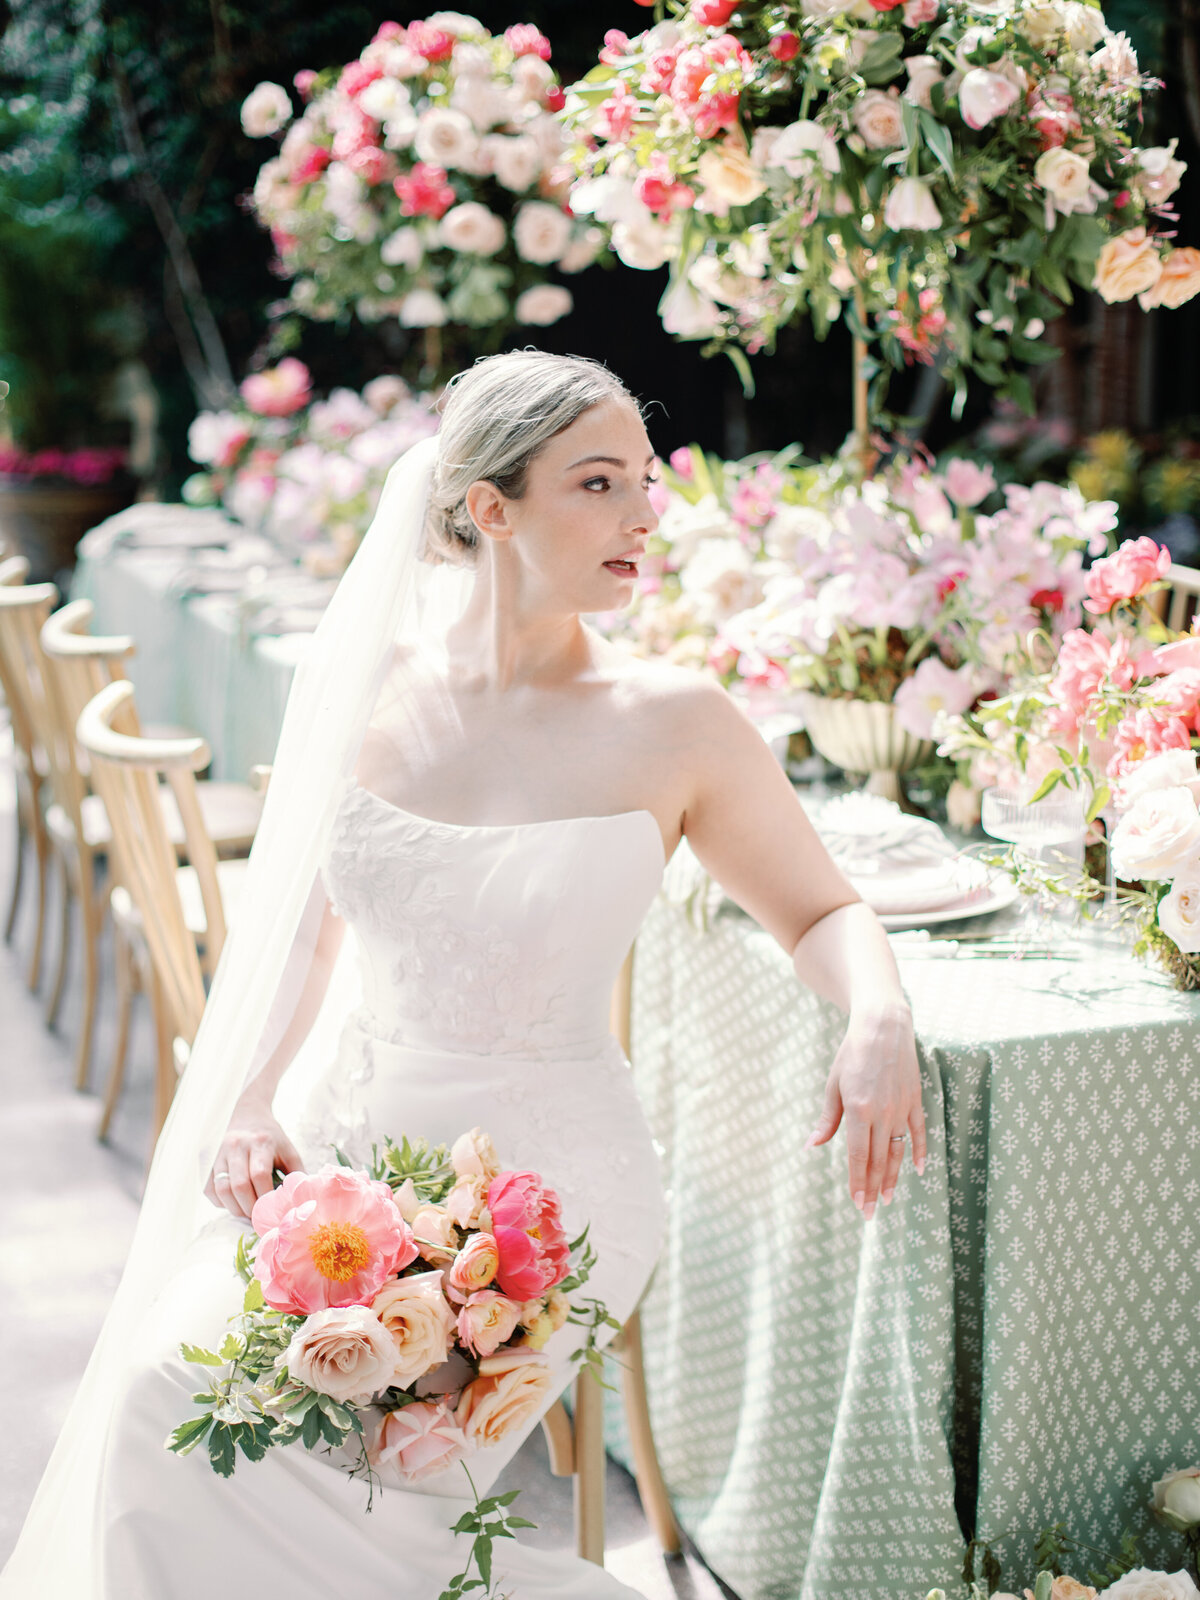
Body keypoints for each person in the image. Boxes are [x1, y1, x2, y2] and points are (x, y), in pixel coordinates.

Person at [2, 352, 924, 1599]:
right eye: (599, 484)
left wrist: (877, 1009)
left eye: (644, 484)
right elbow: (308, 938)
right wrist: (256, 1094)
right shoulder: (367, 695)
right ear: (489, 507)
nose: (643, 517)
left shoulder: (677, 721)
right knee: (157, 1399)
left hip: (549, 1195)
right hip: (345, 1151)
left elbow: (823, 909)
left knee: (382, 1462)